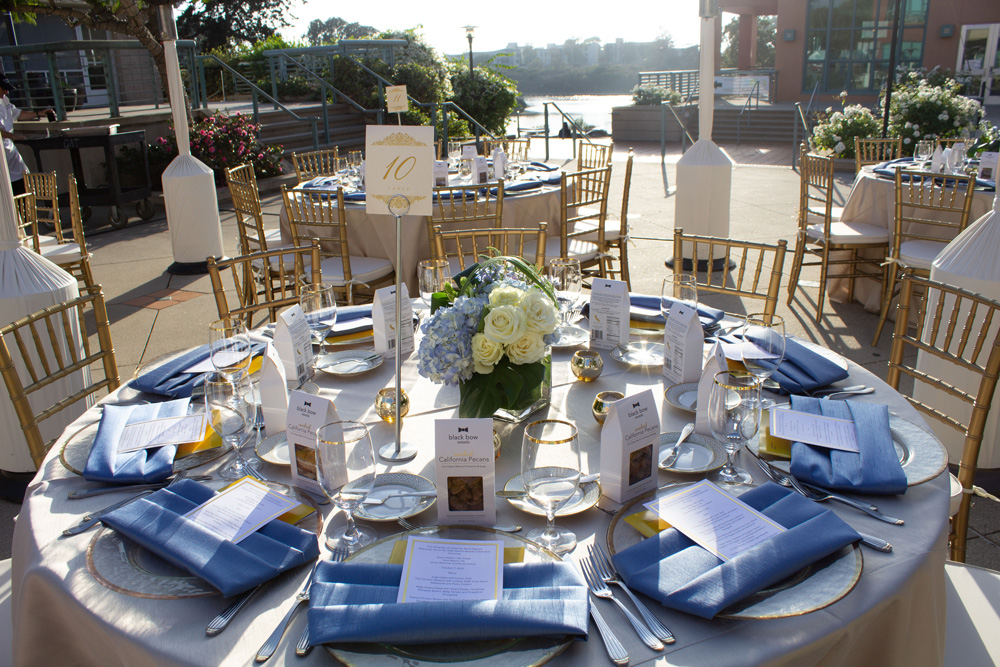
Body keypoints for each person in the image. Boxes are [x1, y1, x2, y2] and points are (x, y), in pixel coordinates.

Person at [0, 72, 52, 195]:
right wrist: (14, 136)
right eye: (3, 89)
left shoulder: (4, 100)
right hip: (2, 153)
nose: (6, 92)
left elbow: (17, 113)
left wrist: (39, 113)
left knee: (23, 179)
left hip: (10, 151)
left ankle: (27, 212)